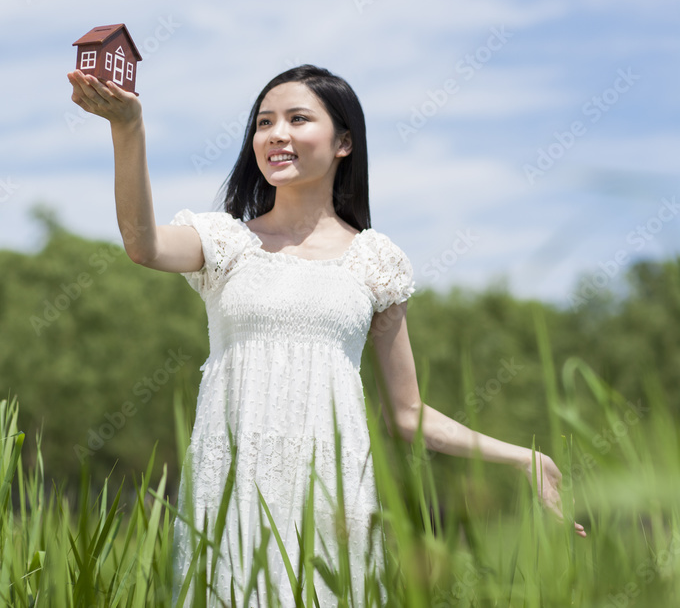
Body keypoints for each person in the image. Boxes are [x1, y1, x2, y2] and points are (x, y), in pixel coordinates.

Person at [67, 63, 585, 607]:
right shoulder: (226, 241)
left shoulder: (376, 261)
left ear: (343, 142)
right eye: (264, 122)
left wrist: (522, 458)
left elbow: (405, 415)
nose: (276, 134)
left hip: (331, 498)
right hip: (229, 488)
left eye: (297, 119)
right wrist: (128, 128)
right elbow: (142, 244)